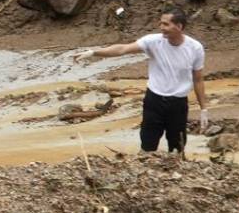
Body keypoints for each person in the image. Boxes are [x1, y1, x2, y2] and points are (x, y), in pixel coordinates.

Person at [77, 8, 208, 154]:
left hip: (178, 104)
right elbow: (122, 49)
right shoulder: (153, 41)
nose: (161, 28)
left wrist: (204, 109)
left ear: (179, 26)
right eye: (160, 23)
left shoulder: (195, 48)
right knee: (147, 146)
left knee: (177, 147)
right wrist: (94, 52)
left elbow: (198, 80)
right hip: (154, 101)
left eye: (166, 24)